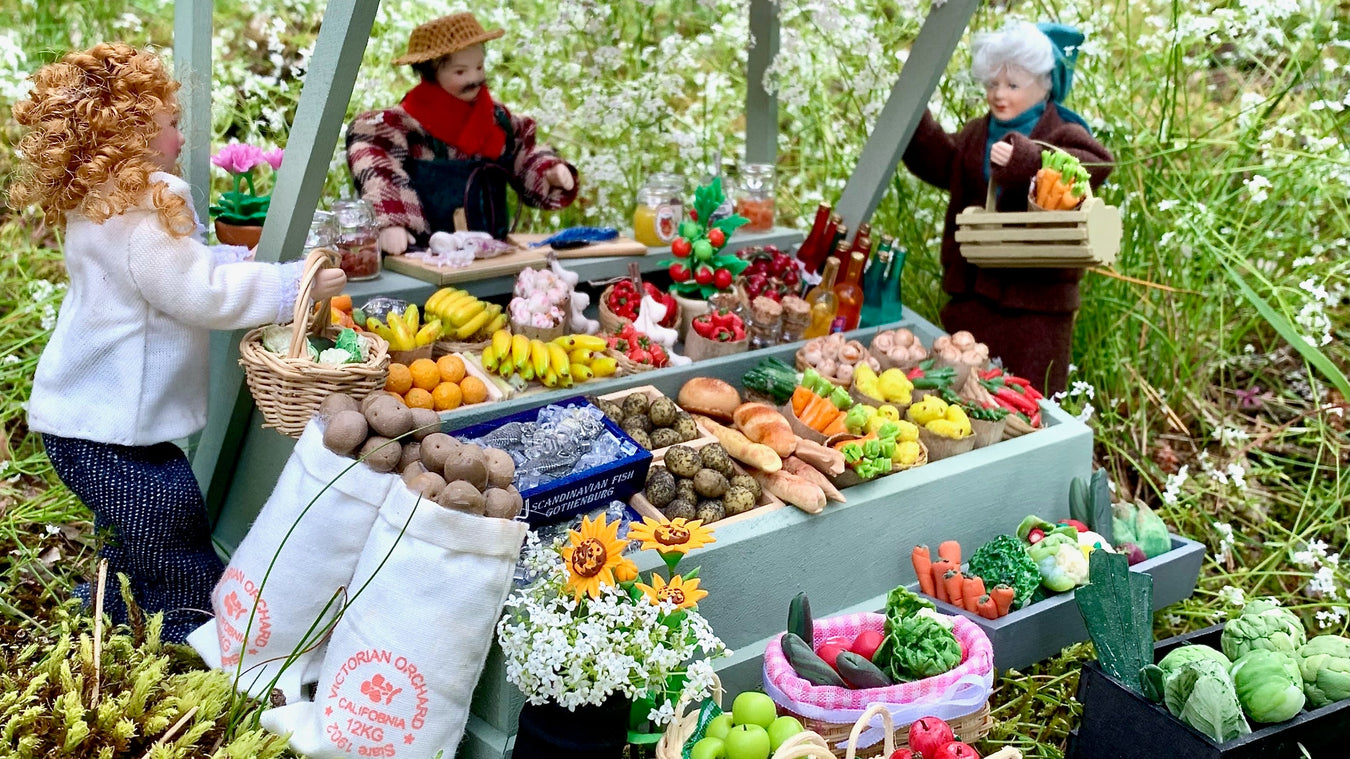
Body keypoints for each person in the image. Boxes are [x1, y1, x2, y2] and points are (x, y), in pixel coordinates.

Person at [9, 43, 346, 643]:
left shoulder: (107, 203)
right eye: (168, 127)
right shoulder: (141, 216)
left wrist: (231, 259)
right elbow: (200, 292)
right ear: (131, 138)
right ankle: (191, 631)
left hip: (90, 420)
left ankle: (112, 607)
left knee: (141, 525)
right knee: (169, 521)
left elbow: (177, 271)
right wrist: (292, 284)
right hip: (103, 428)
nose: (179, 139)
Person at [903, 21, 1113, 395]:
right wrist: (914, 123)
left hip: (1034, 302)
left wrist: (1028, 160)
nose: (1000, 95)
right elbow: (944, 164)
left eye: (1013, 85)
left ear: (1044, 85)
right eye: (992, 84)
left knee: (1027, 395)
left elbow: (1095, 164)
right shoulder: (977, 132)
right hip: (973, 291)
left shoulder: (1062, 129)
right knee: (964, 391)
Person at [347, 12, 579, 251]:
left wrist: (548, 171)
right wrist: (392, 220)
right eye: (460, 72)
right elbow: (378, 168)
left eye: (479, 67)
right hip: (427, 254)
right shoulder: (401, 125)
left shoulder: (497, 119)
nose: (475, 78)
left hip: (491, 250)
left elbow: (523, 152)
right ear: (430, 72)